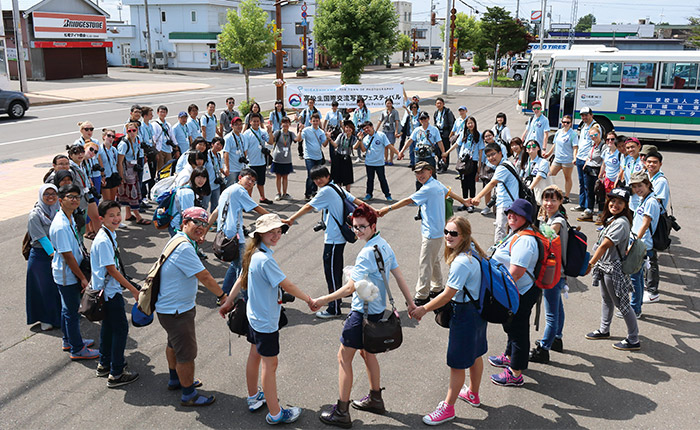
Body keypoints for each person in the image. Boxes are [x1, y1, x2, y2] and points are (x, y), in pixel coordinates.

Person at [311, 205, 416, 427]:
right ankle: (376, 399)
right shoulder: (383, 244)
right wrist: (411, 302)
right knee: (367, 354)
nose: (357, 231)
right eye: (355, 226)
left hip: (361, 313)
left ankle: (341, 411)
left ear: (373, 226)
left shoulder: (366, 252)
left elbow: (350, 288)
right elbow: (398, 275)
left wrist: (323, 300)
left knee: (343, 358)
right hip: (377, 311)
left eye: (362, 227)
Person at [219, 214, 317, 425]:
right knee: (270, 365)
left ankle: (254, 397)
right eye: (271, 231)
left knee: (255, 355)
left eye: (279, 231)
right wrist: (310, 300)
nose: (276, 235)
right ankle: (275, 413)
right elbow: (287, 285)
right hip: (265, 320)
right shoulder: (265, 259)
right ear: (260, 234)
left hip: (254, 316)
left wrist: (228, 301)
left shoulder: (253, 253)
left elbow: (241, 277)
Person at [411, 216, 487, 425]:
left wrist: (423, 309)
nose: (447, 236)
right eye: (446, 231)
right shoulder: (474, 252)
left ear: (464, 235)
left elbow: (447, 294)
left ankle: (448, 408)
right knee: (475, 354)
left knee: (456, 364)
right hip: (478, 312)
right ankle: (473, 393)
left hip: (464, 315)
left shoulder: (462, 262)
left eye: (453, 233)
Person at [156, 207, 227, 407]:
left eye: (205, 224)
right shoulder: (185, 247)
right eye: (196, 222)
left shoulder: (178, 240)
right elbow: (205, 276)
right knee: (186, 353)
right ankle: (189, 394)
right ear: (184, 222)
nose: (201, 227)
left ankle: (175, 379)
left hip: (170, 308)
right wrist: (223, 296)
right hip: (177, 311)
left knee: (173, 344)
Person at [378, 161, 472, 305]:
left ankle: (422, 295)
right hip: (437, 231)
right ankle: (437, 287)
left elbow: (408, 200)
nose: (419, 175)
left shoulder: (428, 188)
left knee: (425, 263)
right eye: (417, 173)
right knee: (433, 261)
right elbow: (449, 192)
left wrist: (387, 209)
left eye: (422, 172)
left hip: (432, 233)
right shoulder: (436, 183)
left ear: (430, 171)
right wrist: (464, 201)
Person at [283, 166, 366, 319]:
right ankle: (336, 299)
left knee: (332, 272)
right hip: (338, 237)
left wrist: (290, 219)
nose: (318, 180)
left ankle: (334, 308)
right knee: (335, 270)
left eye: (321, 177)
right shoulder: (336, 187)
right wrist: (372, 210)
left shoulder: (326, 191)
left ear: (328, 176)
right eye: (315, 178)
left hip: (334, 238)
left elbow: (309, 206)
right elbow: (354, 200)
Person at [487, 199, 541, 387]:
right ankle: (509, 356)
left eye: (516, 214)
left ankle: (516, 373)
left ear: (526, 217)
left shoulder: (525, 240)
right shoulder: (516, 233)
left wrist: (499, 291)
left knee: (518, 329)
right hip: (514, 290)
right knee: (510, 325)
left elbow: (516, 273)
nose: (511, 215)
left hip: (520, 292)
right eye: (509, 212)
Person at [90, 200, 141, 388]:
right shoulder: (103, 240)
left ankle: (104, 363)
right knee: (120, 330)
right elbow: (112, 270)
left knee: (109, 328)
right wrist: (134, 290)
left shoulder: (108, 233)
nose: (116, 218)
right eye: (111, 216)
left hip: (107, 292)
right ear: (101, 218)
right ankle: (117, 372)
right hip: (110, 294)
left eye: (117, 214)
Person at [584, 188, 640, 351]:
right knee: (607, 300)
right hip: (605, 266)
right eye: (613, 201)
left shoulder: (621, 223)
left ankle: (633, 338)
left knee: (622, 304)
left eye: (620, 202)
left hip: (612, 269)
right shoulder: (613, 219)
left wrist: (590, 264)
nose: (615, 204)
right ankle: (604, 329)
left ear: (625, 205)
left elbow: (604, 245)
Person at [50, 184, 99, 360]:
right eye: (70, 196)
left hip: (68, 272)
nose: (75, 200)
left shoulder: (67, 217)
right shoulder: (61, 225)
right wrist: (82, 279)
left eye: (77, 197)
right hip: (67, 275)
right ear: (60, 199)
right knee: (71, 312)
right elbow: (68, 257)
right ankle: (77, 349)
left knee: (67, 310)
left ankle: (68, 340)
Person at [208, 168, 269, 297]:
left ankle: (223, 294)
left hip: (223, 234)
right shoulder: (240, 190)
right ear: (240, 178)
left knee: (234, 266)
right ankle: (245, 300)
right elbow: (256, 208)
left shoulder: (228, 191)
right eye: (248, 178)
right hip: (234, 236)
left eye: (253, 181)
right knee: (243, 270)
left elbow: (215, 212)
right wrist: (275, 218)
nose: (250, 182)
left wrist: (205, 231)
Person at [529, 185, 568, 364]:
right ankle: (556, 338)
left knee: (551, 313)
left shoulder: (557, 221)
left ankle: (543, 348)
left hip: (553, 271)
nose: (548, 203)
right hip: (557, 270)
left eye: (553, 199)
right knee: (557, 306)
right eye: (546, 199)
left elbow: (548, 238)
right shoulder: (550, 217)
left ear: (560, 201)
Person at [26, 184, 62, 331]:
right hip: (41, 257)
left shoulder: (59, 210)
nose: (50, 196)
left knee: (57, 288)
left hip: (59, 253)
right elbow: (41, 238)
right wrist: (54, 255)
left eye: (53, 193)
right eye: (46, 194)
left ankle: (60, 317)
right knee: (43, 289)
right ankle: (45, 319)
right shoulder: (35, 215)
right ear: (41, 196)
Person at [467, 143, 520, 244]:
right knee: (508, 233)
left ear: (500, 153)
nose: (491, 158)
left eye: (493, 154)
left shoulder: (502, 167)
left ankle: (498, 256)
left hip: (505, 205)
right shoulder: (506, 164)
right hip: (509, 203)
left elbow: (492, 183)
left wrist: (477, 197)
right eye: (488, 156)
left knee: (501, 234)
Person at [628, 171, 660, 319]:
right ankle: (636, 305)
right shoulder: (644, 199)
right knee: (638, 277)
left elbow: (645, 224)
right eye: (634, 186)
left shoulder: (651, 201)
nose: (637, 189)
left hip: (642, 245)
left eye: (640, 185)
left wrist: (634, 243)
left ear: (648, 184)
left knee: (635, 277)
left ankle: (635, 309)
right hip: (638, 242)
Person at [443, 116, 482, 212]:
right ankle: (465, 202)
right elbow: (456, 144)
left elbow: (481, 150)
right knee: (463, 183)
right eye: (468, 123)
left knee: (471, 183)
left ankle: (471, 203)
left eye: (472, 123)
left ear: (475, 124)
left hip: (473, 161)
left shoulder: (478, 135)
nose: (470, 125)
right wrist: (447, 152)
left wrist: (479, 165)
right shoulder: (464, 134)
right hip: (463, 161)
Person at [643, 150, 667, 304]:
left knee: (651, 255)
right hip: (646, 218)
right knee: (645, 254)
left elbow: (656, 202)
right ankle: (647, 285)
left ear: (660, 164)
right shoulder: (647, 176)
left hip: (654, 222)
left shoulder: (661, 181)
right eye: (649, 162)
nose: (651, 165)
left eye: (654, 162)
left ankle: (653, 291)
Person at [358, 121, 400, 202]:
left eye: (367, 127)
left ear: (372, 126)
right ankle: (369, 194)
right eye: (364, 129)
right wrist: (360, 140)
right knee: (370, 180)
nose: (366, 130)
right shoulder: (365, 138)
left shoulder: (381, 135)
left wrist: (398, 153)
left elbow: (389, 146)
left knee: (382, 179)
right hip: (369, 163)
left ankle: (387, 195)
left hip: (379, 163)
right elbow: (363, 150)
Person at [117, 124, 149, 225]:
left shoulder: (137, 139)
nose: (131, 133)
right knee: (132, 192)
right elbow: (120, 162)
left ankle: (128, 214)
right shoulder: (124, 144)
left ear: (137, 130)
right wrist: (121, 176)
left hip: (134, 168)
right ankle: (138, 216)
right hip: (127, 170)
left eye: (133, 130)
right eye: (129, 131)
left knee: (129, 192)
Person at [67, 144, 101, 238]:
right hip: (79, 199)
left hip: (87, 195)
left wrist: (90, 185)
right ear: (70, 155)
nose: (80, 154)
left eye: (82, 151)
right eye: (76, 152)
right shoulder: (70, 169)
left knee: (96, 217)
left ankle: (101, 240)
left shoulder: (83, 163)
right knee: (79, 224)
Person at [544, 115, 577, 203]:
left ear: (571, 124)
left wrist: (574, 158)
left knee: (567, 178)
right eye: (564, 122)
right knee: (549, 174)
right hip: (557, 159)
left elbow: (575, 147)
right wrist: (548, 154)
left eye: (568, 122)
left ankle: (566, 196)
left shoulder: (573, 134)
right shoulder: (558, 132)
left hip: (567, 160)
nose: (565, 124)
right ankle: (550, 192)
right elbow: (554, 144)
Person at [297, 112, 329, 200]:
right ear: (310, 121)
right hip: (309, 156)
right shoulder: (306, 130)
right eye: (313, 121)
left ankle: (314, 191)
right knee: (310, 175)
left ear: (319, 121)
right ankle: (307, 193)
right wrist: (300, 131)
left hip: (318, 156)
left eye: (317, 121)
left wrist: (328, 138)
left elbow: (324, 144)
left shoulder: (321, 132)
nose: (315, 122)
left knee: (317, 175)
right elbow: (299, 139)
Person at [170, 167, 210, 237]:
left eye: (204, 177)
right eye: (198, 177)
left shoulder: (195, 189)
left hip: (180, 225)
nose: (201, 180)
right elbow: (189, 215)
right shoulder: (188, 192)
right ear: (193, 177)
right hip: (179, 227)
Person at [242, 113, 273, 204]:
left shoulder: (263, 131)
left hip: (261, 162)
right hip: (251, 163)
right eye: (254, 121)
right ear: (250, 122)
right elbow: (245, 149)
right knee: (250, 184)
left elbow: (270, 142)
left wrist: (270, 131)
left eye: (257, 121)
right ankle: (248, 201)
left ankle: (262, 198)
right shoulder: (247, 134)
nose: (256, 123)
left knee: (261, 182)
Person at [578, 124, 604, 222]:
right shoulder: (592, 145)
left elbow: (604, 160)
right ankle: (589, 211)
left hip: (597, 170)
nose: (593, 137)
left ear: (599, 134)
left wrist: (601, 173)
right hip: (588, 170)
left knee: (599, 192)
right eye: (591, 136)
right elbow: (589, 156)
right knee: (589, 191)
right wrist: (585, 164)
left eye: (595, 135)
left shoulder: (603, 146)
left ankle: (600, 213)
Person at [573, 107, 597, 212]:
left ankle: (588, 207)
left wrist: (588, 159)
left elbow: (595, 144)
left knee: (588, 185)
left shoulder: (595, 127)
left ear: (591, 115)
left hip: (587, 160)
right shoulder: (584, 125)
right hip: (580, 157)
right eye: (582, 115)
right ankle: (582, 204)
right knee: (582, 183)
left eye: (586, 115)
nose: (584, 117)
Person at [269, 116, 295, 200]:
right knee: (278, 176)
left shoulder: (291, 134)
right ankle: (278, 193)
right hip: (277, 158)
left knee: (285, 177)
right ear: (281, 124)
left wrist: (301, 131)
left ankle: (285, 193)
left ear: (289, 124)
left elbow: (297, 139)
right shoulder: (278, 133)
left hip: (287, 159)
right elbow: (271, 141)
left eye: (287, 122)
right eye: (284, 122)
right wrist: (269, 132)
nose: (285, 124)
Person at [521, 139, 552, 205]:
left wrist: (529, 190)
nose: (531, 147)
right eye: (528, 146)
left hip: (540, 192)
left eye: (534, 145)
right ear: (526, 150)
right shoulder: (526, 163)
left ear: (538, 148)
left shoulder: (543, 162)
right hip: (530, 193)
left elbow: (539, 177)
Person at [330, 120, 357, 192]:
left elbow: (354, 147)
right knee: (337, 176)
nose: (348, 129)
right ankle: (339, 191)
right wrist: (329, 139)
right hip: (338, 156)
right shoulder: (341, 135)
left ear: (353, 129)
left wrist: (360, 140)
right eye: (347, 127)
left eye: (350, 128)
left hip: (347, 157)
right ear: (344, 128)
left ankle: (348, 192)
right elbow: (335, 145)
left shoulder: (354, 138)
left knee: (348, 176)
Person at [622, 137, 645, 211]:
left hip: (641, 197)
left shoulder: (643, 162)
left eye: (632, 147)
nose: (630, 150)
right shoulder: (628, 160)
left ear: (639, 146)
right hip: (631, 197)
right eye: (628, 148)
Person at [377, 98, 401, 165]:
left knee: (391, 146)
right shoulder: (383, 112)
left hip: (391, 130)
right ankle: (386, 160)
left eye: (390, 103)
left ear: (392, 104)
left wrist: (396, 131)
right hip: (385, 130)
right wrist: (375, 130)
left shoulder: (395, 112)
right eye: (387, 103)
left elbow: (397, 122)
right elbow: (380, 121)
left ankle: (391, 160)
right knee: (385, 146)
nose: (388, 105)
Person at [433, 97, 455, 172]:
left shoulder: (448, 112)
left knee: (445, 151)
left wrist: (450, 134)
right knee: (438, 150)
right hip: (438, 134)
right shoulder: (436, 113)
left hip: (446, 134)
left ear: (443, 104)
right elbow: (435, 123)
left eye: (440, 103)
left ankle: (444, 166)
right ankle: (439, 165)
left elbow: (452, 124)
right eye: (437, 103)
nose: (439, 105)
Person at [223, 116, 246, 186]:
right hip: (232, 169)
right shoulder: (228, 138)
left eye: (240, 124)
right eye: (236, 125)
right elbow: (226, 153)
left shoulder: (242, 136)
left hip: (241, 167)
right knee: (229, 188)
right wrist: (227, 168)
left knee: (239, 187)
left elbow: (244, 150)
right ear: (232, 126)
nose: (239, 126)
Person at [600, 131, 623, 197]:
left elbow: (621, 169)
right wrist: (600, 174)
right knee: (607, 197)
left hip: (615, 179)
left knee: (615, 198)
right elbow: (604, 164)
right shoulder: (606, 151)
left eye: (612, 139)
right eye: (608, 139)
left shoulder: (619, 153)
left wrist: (617, 180)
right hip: (607, 179)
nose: (610, 141)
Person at [98, 129, 120, 202]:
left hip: (113, 175)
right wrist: (102, 176)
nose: (111, 138)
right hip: (106, 177)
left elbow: (116, 163)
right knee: (107, 201)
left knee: (112, 200)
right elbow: (99, 164)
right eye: (109, 136)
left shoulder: (114, 149)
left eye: (113, 136)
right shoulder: (100, 149)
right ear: (104, 137)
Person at [153, 105, 175, 171]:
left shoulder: (168, 124)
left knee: (168, 168)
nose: (162, 114)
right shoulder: (155, 124)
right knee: (160, 169)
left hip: (168, 149)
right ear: (157, 113)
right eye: (161, 112)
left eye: (164, 112)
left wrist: (175, 145)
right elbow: (154, 138)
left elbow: (172, 136)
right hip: (160, 149)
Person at [399, 101, 421, 168]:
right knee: (411, 150)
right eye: (412, 107)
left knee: (418, 150)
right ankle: (412, 162)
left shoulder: (420, 116)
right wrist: (402, 132)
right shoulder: (409, 116)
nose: (414, 108)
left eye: (415, 107)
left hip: (419, 136)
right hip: (411, 136)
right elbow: (405, 125)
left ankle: (418, 162)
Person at [207, 136, 226, 212]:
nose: (219, 147)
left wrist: (225, 173)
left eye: (221, 145)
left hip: (216, 184)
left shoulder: (218, 155)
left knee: (215, 204)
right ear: (212, 144)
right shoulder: (206, 155)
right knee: (204, 204)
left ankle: (213, 221)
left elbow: (220, 168)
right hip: (208, 185)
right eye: (217, 144)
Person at [352, 97, 370, 162]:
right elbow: (354, 120)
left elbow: (367, 119)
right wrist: (355, 127)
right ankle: (359, 157)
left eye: (361, 102)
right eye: (358, 102)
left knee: (366, 142)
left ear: (363, 103)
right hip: (358, 129)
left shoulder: (366, 110)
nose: (360, 104)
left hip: (365, 129)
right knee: (358, 142)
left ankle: (367, 155)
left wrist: (364, 127)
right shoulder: (356, 111)